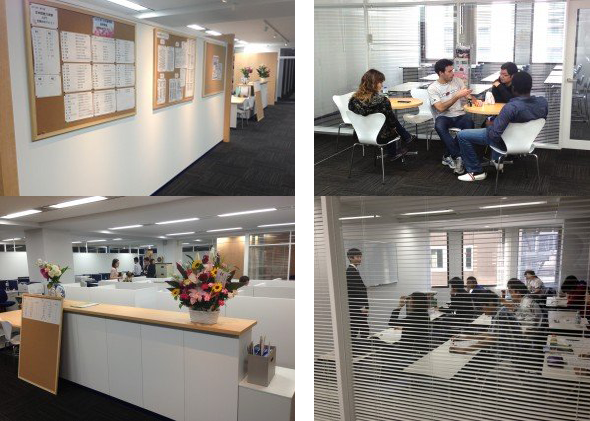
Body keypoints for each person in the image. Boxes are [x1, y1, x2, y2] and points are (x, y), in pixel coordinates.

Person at [456, 71, 549, 181]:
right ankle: (497, 160)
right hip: (525, 142)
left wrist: (492, 124)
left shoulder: (511, 107)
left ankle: (476, 171)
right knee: (499, 127)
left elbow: (494, 136)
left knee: (463, 135)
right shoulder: (543, 103)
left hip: (506, 142)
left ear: (513, 87)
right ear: (530, 86)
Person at [428, 59, 482, 174]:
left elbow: (468, 96)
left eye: (453, 70)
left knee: (470, 123)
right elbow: (440, 108)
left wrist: (474, 100)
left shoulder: (458, 81)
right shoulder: (433, 88)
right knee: (439, 126)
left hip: (459, 114)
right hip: (444, 116)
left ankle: (449, 155)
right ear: (440, 73)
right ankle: (459, 156)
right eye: (449, 71)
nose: (453, 73)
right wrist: (457, 96)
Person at [348, 69, 416, 159]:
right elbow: (392, 123)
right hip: (381, 137)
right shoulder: (383, 101)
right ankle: (396, 150)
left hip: (361, 134)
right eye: (380, 82)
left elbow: (360, 113)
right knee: (391, 123)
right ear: (373, 84)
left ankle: (405, 137)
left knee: (386, 120)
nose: (382, 85)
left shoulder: (353, 100)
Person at [450, 289, 523, 363]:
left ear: (490, 303)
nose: (482, 310)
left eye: (482, 306)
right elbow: (490, 333)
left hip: (511, 357)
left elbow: (492, 338)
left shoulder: (501, 314)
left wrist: (464, 350)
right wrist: (465, 337)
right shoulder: (498, 312)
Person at [346, 248, 370, 340]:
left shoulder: (354, 270)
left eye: (360, 257)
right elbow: (354, 292)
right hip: (357, 308)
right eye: (357, 257)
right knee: (360, 329)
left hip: (358, 307)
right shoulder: (350, 272)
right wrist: (362, 307)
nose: (360, 259)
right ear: (350, 258)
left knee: (358, 328)